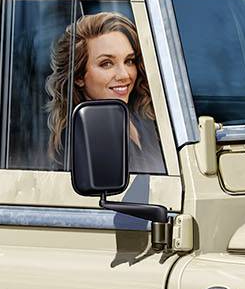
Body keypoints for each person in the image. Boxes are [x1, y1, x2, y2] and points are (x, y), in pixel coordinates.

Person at [46, 12, 165, 175]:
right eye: (106, 63)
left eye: (129, 61)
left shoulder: (143, 118)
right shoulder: (81, 138)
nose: (124, 75)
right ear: (79, 76)